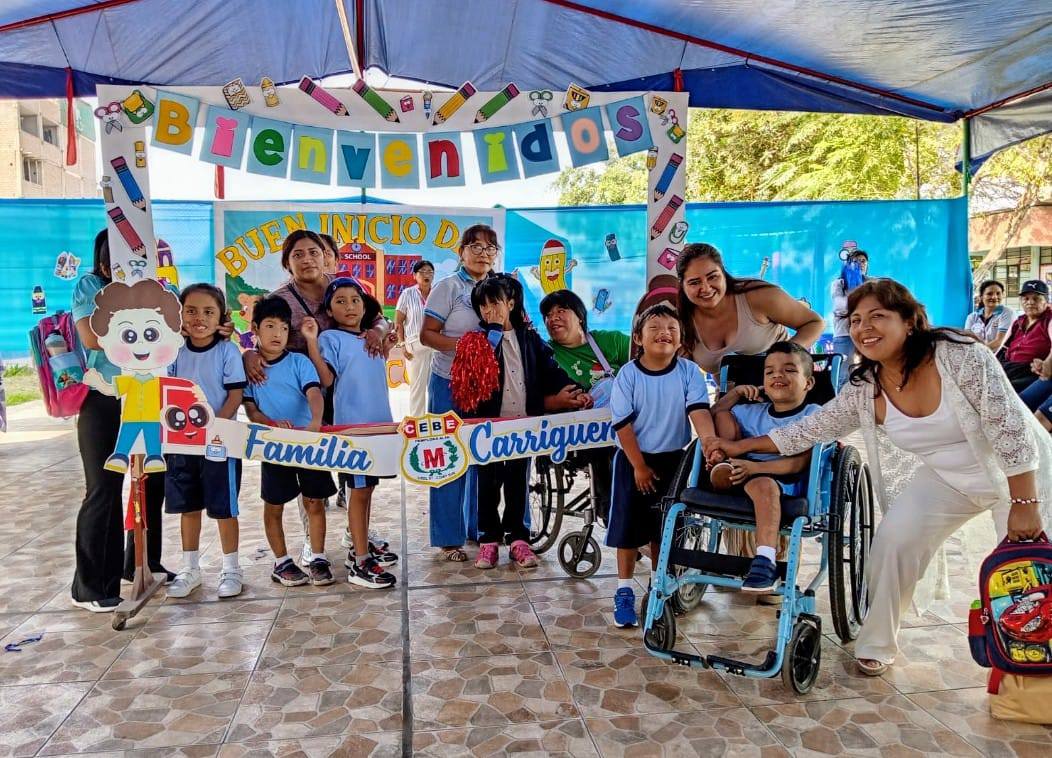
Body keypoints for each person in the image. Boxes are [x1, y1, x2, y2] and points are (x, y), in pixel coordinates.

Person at [709, 278, 1051, 676]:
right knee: (892, 544)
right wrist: (736, 447)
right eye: (855, 320)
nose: (863, 327)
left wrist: (1025, 503)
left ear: (909, 321)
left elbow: (1010, 428)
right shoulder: (867, 386)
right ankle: (877, 644)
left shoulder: (959, 354)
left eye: (877, 316)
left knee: (1030, 577)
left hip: (1021, 475)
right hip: (948, 479)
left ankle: (1027, 667)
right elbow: (808, 430)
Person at [453, 275, 592, 569]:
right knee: (487, 484)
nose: (489, 311)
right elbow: (474, 378)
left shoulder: (529, 339)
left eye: (495, 304)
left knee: (517, 483)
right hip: (488, 429)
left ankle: (518, 539)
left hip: (522, 428)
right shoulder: (475, 341)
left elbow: (551, 371)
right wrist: (492, 335)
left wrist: (575, 391)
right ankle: (488, 541)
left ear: (511, 304)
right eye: (483, 307)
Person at [70, 230, 171, 613]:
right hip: (106, 397)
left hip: (147, 395)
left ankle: (141, 562)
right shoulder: (90, 286)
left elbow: (175, 330)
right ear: (103, 258)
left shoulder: (153, 288)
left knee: (153, 481)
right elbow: (92, 338)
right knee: (104, 488)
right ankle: (91, 586)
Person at [607, 304, 715, 628]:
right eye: (654, 328)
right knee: (627, 531)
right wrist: (639, 466)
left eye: (671, 328)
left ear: (681, 339)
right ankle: (624, 591)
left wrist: (710, 444)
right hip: (632, 460)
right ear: (638, 338)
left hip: (673, 462)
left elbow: (699, 412)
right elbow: (623, 425)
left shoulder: (689, 372)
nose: (663, 333)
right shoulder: (628, 375)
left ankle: (658, 586)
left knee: (663, 528)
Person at [303, 277, 399, 589]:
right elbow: (327, 379)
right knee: (357, 492)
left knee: (366, 490)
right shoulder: (331, 338)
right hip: (354, 431)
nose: (349, 306)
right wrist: (312, 343)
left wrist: (386, 344)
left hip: (378, 428)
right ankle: (360, 562)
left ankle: (360, 547)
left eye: (355, 300)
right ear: (329, 310)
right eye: (340, 301)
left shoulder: (370, 337)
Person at [706, 342, 820, 592]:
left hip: (784, 478)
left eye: (789, 370)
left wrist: (754, 469)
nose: (778, 375)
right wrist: (735, 394)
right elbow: (715, 413)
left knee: (763, 485)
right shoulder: (751, 411)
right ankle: (723, 466)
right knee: (724, 415)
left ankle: (766, 560)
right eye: (769, 372)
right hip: (742, 469)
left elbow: (799, 463)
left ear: (808, 383)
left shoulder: (813, 414)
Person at [242, 296, 337, 587]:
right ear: (255, 329)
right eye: (270, 326)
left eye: (283, 328)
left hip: (308, 444)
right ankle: (281, 562)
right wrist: (269, 424)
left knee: (315, 502)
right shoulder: (250, 370)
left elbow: (314, 393)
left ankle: (318, 557)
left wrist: (315, 423)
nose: (277, 334)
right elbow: (251, 410)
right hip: (274, 447)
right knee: (274, 505)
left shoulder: (299, 362)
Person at [419, 224, 500, 561]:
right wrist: (467, 348)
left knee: (481, 456)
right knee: (447, 456)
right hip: (448, 382)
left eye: (490, 248)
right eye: (475, 246)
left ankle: (479, 529)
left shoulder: (502, 286)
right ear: (461, 252)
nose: (483, 253)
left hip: (488, 386)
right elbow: (427, 334)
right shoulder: (448, 287)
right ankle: (448, 538)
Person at [164, 283, 247, 599]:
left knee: (224, 508)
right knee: (188, 507)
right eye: (191, 311)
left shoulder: (227, 351)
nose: (199, 318)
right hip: (181, 444)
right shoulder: (174, 351)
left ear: (222, 317)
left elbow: (235, 395)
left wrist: (215, 428)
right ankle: (190, 569)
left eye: (209, 312)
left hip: (220, 444)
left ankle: (231, 569)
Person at [541, 288, 630, 522]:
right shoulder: (545, 354)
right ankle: (611, 512)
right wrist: (557, 401)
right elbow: (530, 397)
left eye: (561, 311)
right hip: (582, 434)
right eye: (548, 315)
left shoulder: (612, 341)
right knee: (604, 447)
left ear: (580, 316)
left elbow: (646, 366)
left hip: (628, 422)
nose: (553, 318)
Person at [677, 242, 825, 375]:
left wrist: (785, 357)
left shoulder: (757, 296)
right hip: (732, 397)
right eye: (694, 282)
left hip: (788, 390)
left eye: (712, 277)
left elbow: (814, 323)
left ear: (723, 273)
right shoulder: (680, 323)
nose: (706, 288)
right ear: (682, 285)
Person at [395, 259, 436, 418]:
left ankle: (435, 418)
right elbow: (399, 322)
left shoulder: (437, 293)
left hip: (436, 343)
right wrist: (402, 344)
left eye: (430, 272)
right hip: (415, 343)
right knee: (417, 386)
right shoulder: (408, 294)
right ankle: (417, 420)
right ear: (414, 275)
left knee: (435, 385)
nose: (427, 275)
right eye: (423, 272)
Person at [999, 279, 1052, 392]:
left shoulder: (1049, 319)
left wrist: (1047, 362)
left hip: (1029, 372)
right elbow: (1002, 347)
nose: (1030, 302)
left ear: (1046, 301)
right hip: (1008, 367)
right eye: (1026, 299)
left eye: (1036, 299)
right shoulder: (1018, 321)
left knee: (1000, 389)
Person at [830, 248, 869, 388]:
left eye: (863, 261)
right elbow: (839, 306)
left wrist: (851, 311)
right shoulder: (839, 283)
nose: (860, 264)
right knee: (843, 375)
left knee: (868, 373)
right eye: (856, 261)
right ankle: (842, 400)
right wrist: (862, 308)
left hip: (866, 333)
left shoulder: (871, 283)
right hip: (844, 334)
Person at [964, 280, 1013, 352]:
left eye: (998, 293)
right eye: (989, 294)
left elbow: (999, 341)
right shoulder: (972, 317)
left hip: (997, 355)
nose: (994, 297)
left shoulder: (1007, 313)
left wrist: (978, 352)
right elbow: (967, 339)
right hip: (975, 353)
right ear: (981, 297)